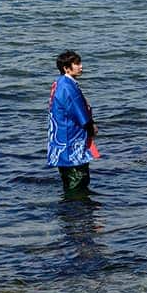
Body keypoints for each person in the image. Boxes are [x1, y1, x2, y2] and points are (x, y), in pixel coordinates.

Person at [47, 50, 98, 195]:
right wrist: (91, 126)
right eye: (77, 64)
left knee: (68, 178)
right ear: (66, 68)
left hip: (61, 137)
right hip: (71, 140)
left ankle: (69, 211)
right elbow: (79, 110)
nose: (81, 67)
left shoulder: (59, 83)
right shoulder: (68, 87)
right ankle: (78, 212)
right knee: (78, 179)